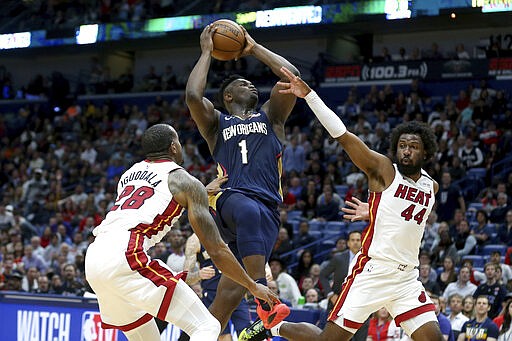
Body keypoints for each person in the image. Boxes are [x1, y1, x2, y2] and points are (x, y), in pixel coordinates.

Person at [239, 67, 444, 340]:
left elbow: (403, 219)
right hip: (372, 271)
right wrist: (310, 96)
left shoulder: (432, 186)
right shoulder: (384, 169)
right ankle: (273, 326)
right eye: (402, 145)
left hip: (406, 278)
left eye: (413, 146)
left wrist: (373, 211)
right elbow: (344, 136)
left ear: (426, 151)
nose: (406, 151)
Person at [84, 124, 277, 341]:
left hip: (94, 257)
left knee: (146, 336)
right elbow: (216, 249)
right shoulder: (184, 180)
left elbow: (149, 201)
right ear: (173, 147)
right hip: (126, 256)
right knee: (206, 327)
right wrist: (252, 285)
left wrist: (200, 192)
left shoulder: (129, 174)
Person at [185, 23, 299, 330]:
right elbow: (194, 97)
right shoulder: (216, 123)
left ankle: (198, 336)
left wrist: (254, 48)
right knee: (245, 209)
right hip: (230, 201)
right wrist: (207, 51)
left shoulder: (270, 116)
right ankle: (262, 298)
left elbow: (292, 78)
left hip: (269, 211)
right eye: (243, 84)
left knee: (228, 295)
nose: (251, 86)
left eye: (252, 84)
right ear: (228, 96)